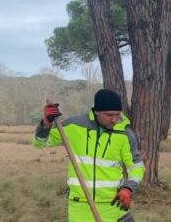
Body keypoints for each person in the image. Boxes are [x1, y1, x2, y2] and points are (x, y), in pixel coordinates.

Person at [32, 89, 145, 222]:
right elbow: (40, 143)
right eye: (109, 115)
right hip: (80, 208)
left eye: (117, 114)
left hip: (114, 208)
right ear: (97, 111)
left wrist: (128, 188)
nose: (114, 119)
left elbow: (136, 166)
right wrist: (46, 124)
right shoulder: (74, 125)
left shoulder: (124, 133)